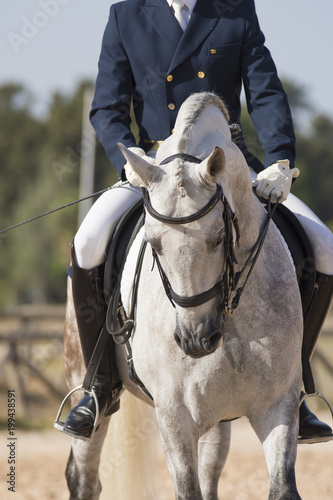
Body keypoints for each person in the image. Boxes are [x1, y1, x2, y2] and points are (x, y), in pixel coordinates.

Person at [61, 0, 333, 441]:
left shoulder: (234, 9)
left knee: (324, 248)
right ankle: (98, 387)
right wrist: (128, 158)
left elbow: (264, 91)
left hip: (223, 164)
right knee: (88, 241)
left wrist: (280, 159)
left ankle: (294, 388)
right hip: (153, 165)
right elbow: (107, 108)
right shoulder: (125, 15)